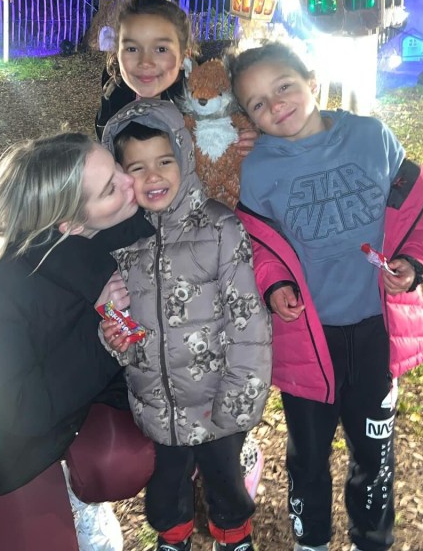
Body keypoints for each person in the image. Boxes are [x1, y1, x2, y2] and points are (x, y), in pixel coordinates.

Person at [228, 42, 423, 551]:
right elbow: (259, 246)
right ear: (249, 119)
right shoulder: (257, 170)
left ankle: (373, 539)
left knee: (374, 452)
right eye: (258, 103)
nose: (276, 104)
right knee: (307, 454)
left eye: (284, 86)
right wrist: (274, 285)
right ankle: (313, 542)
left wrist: (414, 264)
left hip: (376, 332)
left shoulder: (371, 137)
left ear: (312, 79)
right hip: (309, 340)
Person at [0, 133, 156, 551]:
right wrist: (104, 333)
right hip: (11, 430)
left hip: (81, 395)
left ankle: (87, 489)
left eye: (115, 167)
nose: (131, 181)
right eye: (111, 187)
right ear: (70, 226)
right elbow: (12, 411)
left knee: (121, 460)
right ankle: (66, 506)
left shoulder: (123, 224)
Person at [100, 99, 273, 551]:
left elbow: (248, 321)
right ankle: (172, 539)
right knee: (165, 489)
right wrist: (114, 338)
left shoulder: (220, 229)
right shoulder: (120, 243)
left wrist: (241, 396)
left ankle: (233, 537)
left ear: (185, 157)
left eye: (164, 161)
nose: (152, 176)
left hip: (218, 401)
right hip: (155, 403)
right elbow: (120, 321)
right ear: (119, 177)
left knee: (225, 483)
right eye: (136, 167)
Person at [95, 0, 195, 141]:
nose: (145, 62)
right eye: (132, 49)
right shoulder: (114, 96)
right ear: (117, 52)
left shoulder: (204, 108)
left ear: (184, 56)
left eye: (161, 49)